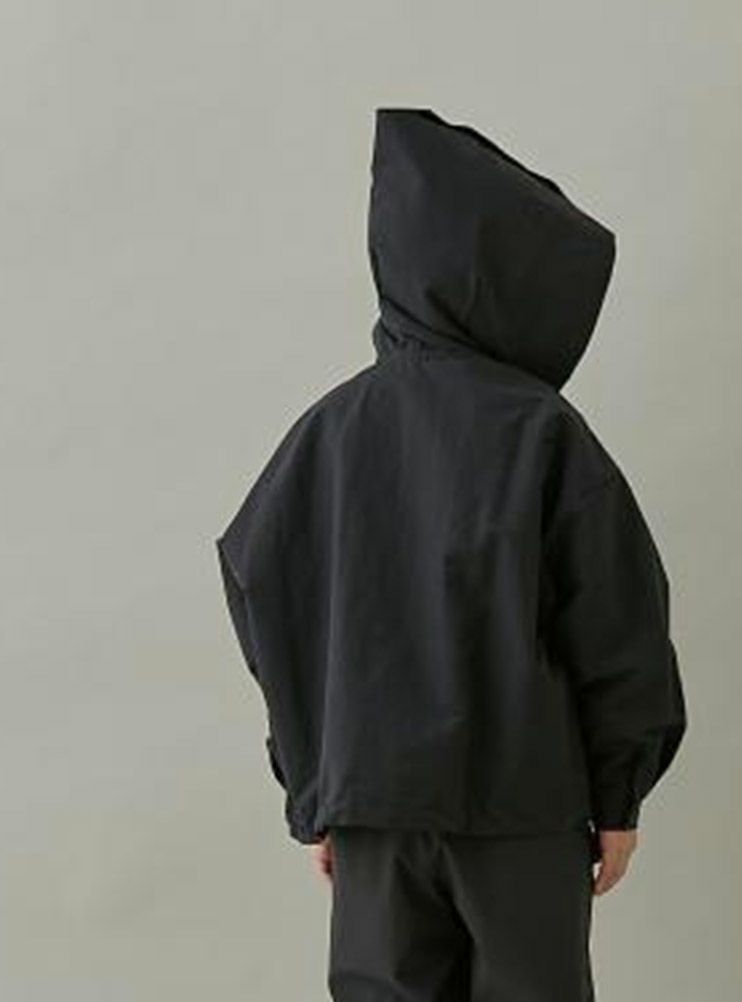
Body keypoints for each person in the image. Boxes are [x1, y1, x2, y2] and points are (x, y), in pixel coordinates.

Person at [215, 106, 686, 1002]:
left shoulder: (327, 434)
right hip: (521, 807)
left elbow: (268, 598)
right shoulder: (542, 432)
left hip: (371, 809)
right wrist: (618, 796)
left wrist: (316, 785)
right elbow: (619, 623)